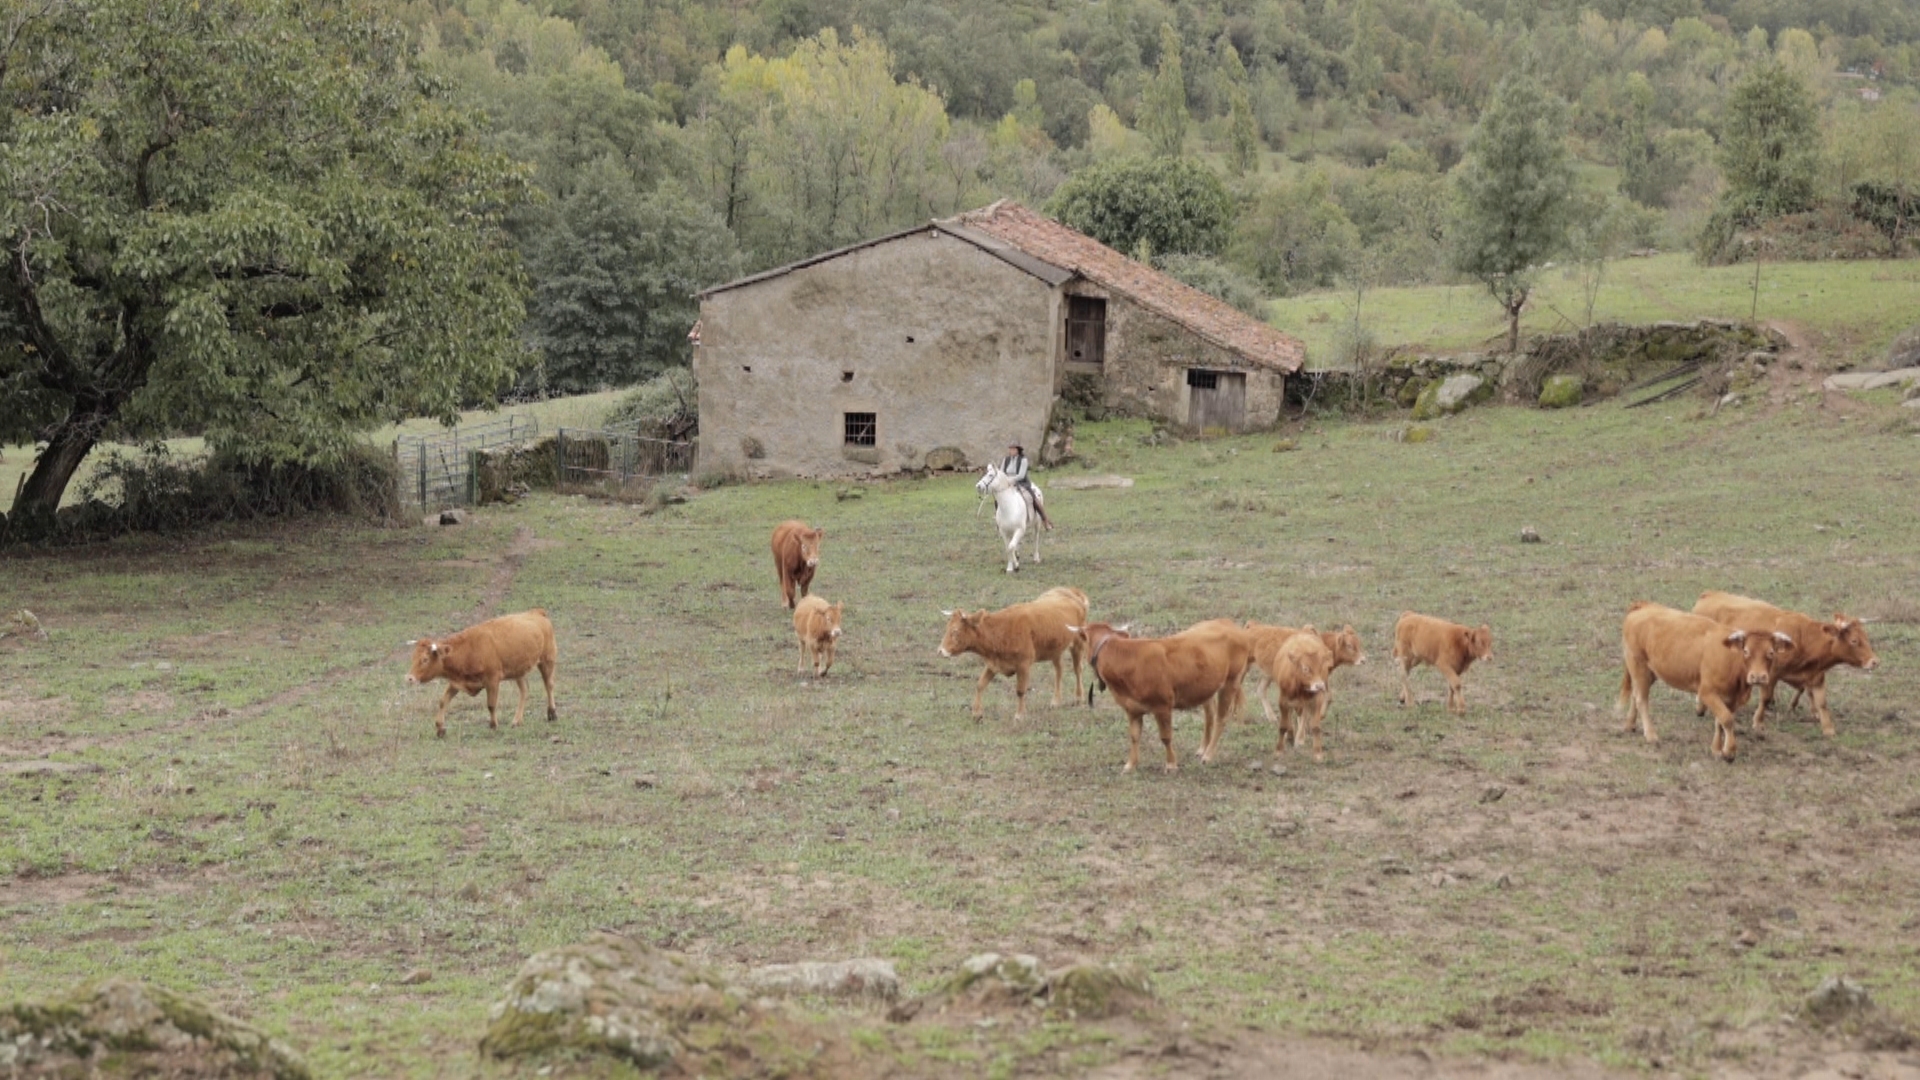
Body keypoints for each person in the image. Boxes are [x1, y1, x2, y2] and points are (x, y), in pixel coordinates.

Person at [1001, 443, 1053, 530]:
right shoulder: (1006, 460)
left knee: (1030, 497)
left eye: (1013, 449)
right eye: (1010, 449)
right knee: (998, 497)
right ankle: (1000, 519)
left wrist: (1011, 480)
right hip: (1007, 484)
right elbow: (1002, 472)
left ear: (1018, 450)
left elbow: (1021, 475)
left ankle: (1045, 520)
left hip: (1021, 483)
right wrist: (1004, 480)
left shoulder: (1023, 460)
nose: (1011, 451)